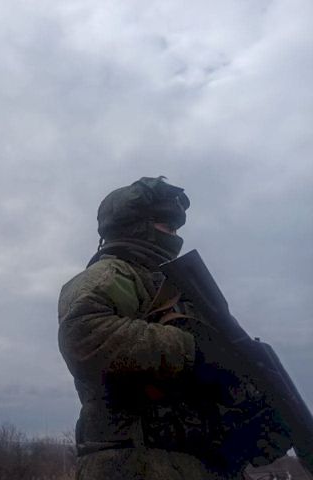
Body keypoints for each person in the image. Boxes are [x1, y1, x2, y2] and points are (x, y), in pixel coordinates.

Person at [58, 177, 290, 480]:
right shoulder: (112, 275)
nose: (174, 235)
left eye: (176, 228)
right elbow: (86, 335)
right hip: (134, 464)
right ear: (137, 226)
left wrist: (254, 417)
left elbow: (211, 373)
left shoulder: (180, 289)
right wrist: (192, 350)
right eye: (166, 225)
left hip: (197, 464)